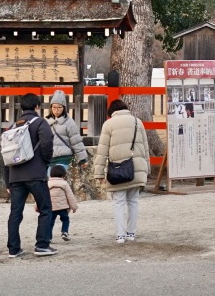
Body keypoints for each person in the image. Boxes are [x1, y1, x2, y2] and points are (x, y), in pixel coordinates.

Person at [6, 92, 57, 257]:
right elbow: (47, 142)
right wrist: (45, 161)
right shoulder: (40, 122)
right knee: (45, 209)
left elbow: (6, 154)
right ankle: (42, 244)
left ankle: (13, 249)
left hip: (15, 175)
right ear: (37, 106)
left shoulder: (13, 127)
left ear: (21, 107)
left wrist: (8, 180)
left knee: (15, 213)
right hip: (35, 174)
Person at [92, 99, 150, 243]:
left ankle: (120, 235)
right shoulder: (137, 122)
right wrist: (146, 168)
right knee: (133, 201)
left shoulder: (108, 124)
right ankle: (131, 233)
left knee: (118, 202)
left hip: (117, 170)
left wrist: (98, 172)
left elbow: (102, 151)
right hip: (136, 168)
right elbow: (145, 147)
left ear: (111, 112)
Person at [47, 90, 89, 176]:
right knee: (50, 183)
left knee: (57, 180)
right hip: (50, 158)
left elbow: (76, 141)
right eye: (54, 107)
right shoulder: (47, 122)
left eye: (59, 107)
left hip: (63, 158)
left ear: (64, 108)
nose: (56, 110)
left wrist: (83, 159)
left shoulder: (69, 122)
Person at [46, 163, 78, 242]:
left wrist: (37, 206)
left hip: (51, 207)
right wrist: (74, 207)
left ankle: (48, 237)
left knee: (50, 222)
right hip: (63, 207)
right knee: (65, 219)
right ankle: (64, 232)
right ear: (63, 174)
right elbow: (70, 196)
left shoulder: (47, 184)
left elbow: (42, 196)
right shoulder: (64, 183)